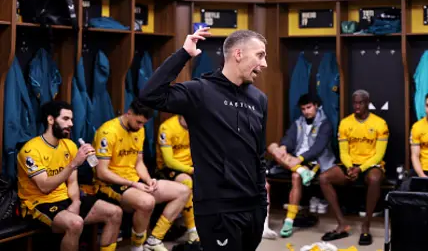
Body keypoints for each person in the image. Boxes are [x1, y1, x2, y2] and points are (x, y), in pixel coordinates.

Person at [138, 28, 270, 251]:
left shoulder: (259, 99)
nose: (264, 63)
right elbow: (150, 95)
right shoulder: (200, 91)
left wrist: (262, 203)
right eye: (260, 55)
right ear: (238, 54)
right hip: (217, 207)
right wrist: (183, 54)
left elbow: (259, 154)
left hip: (253, 207)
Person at [17, 101, 123, 251]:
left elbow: (72, 181)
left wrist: (76, 202)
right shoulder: (30, 150)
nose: (71, 124)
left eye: (72, 119)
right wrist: (74, 163)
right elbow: (44, 187)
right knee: (75, 223)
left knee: (115, 212)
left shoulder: (69, 145)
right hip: (38, 203)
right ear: (50, 120)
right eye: (66, 119)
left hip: (65, 198)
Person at [93, 101, 190, 251]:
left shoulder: (140, 129)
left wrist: (147, 179)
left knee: (183, 191)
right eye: (138, 122)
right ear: (129, 113)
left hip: (134, 180)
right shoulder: (108, 132)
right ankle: (137, 247)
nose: (140, 126)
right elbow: (102, 172)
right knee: (147, 202)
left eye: (143, 124)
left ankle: (154, 240)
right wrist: (133, 184)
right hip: (110, 184)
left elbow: (138, 162)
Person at [318, 89, 389, 246]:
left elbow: (379, 155)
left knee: (375, 178)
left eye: (361, 103)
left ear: (367, 103)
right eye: (355, 103)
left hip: (371, 165)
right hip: (350, 165)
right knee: (324, 178)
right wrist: (350, 167)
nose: (357, 106)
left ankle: (366, 225)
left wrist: (360, 169)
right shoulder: (345, 123)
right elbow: (344, 152)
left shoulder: (380, 124)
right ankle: (342, 223)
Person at [267, 94, 336, 238]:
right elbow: (289, 139)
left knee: (295, 175)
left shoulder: (325, 124)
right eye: (303, 109)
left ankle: (289, 220)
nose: (306, 111)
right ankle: (302, 171)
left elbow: (318, 148)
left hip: (315, 162)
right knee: (273, 147)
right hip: (296, 161)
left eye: (309, 107)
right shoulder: (298, 122)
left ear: (316, 105)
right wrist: (284, 148)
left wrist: (300, 159)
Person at [155, 114, 199, 244]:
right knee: (186, 182)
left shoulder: (198, 124)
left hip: (191, 165)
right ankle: (192, 231)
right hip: (168, 168)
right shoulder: (167, 128)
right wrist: (191, 170)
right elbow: (168, 161)